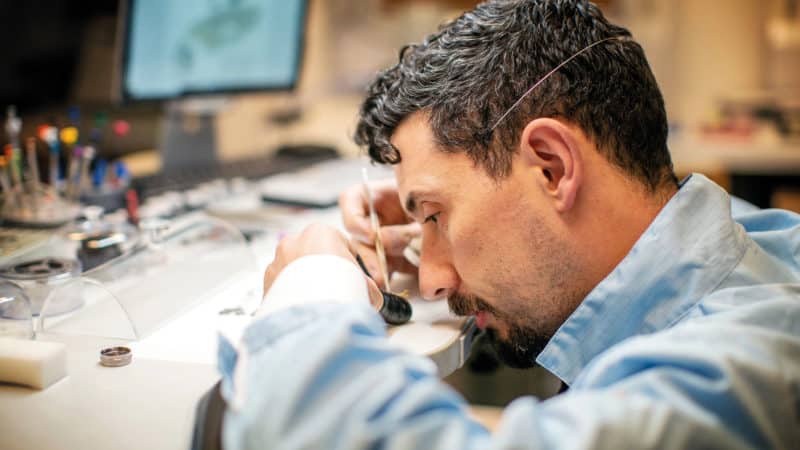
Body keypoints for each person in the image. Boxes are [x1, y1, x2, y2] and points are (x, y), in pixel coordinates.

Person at [217, 1, 800, 448]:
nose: (431, 284)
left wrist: (313, 288)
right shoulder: (749, 250)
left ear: (552, 166)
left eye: (437, 215)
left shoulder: (738, 377)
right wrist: (433, 217)